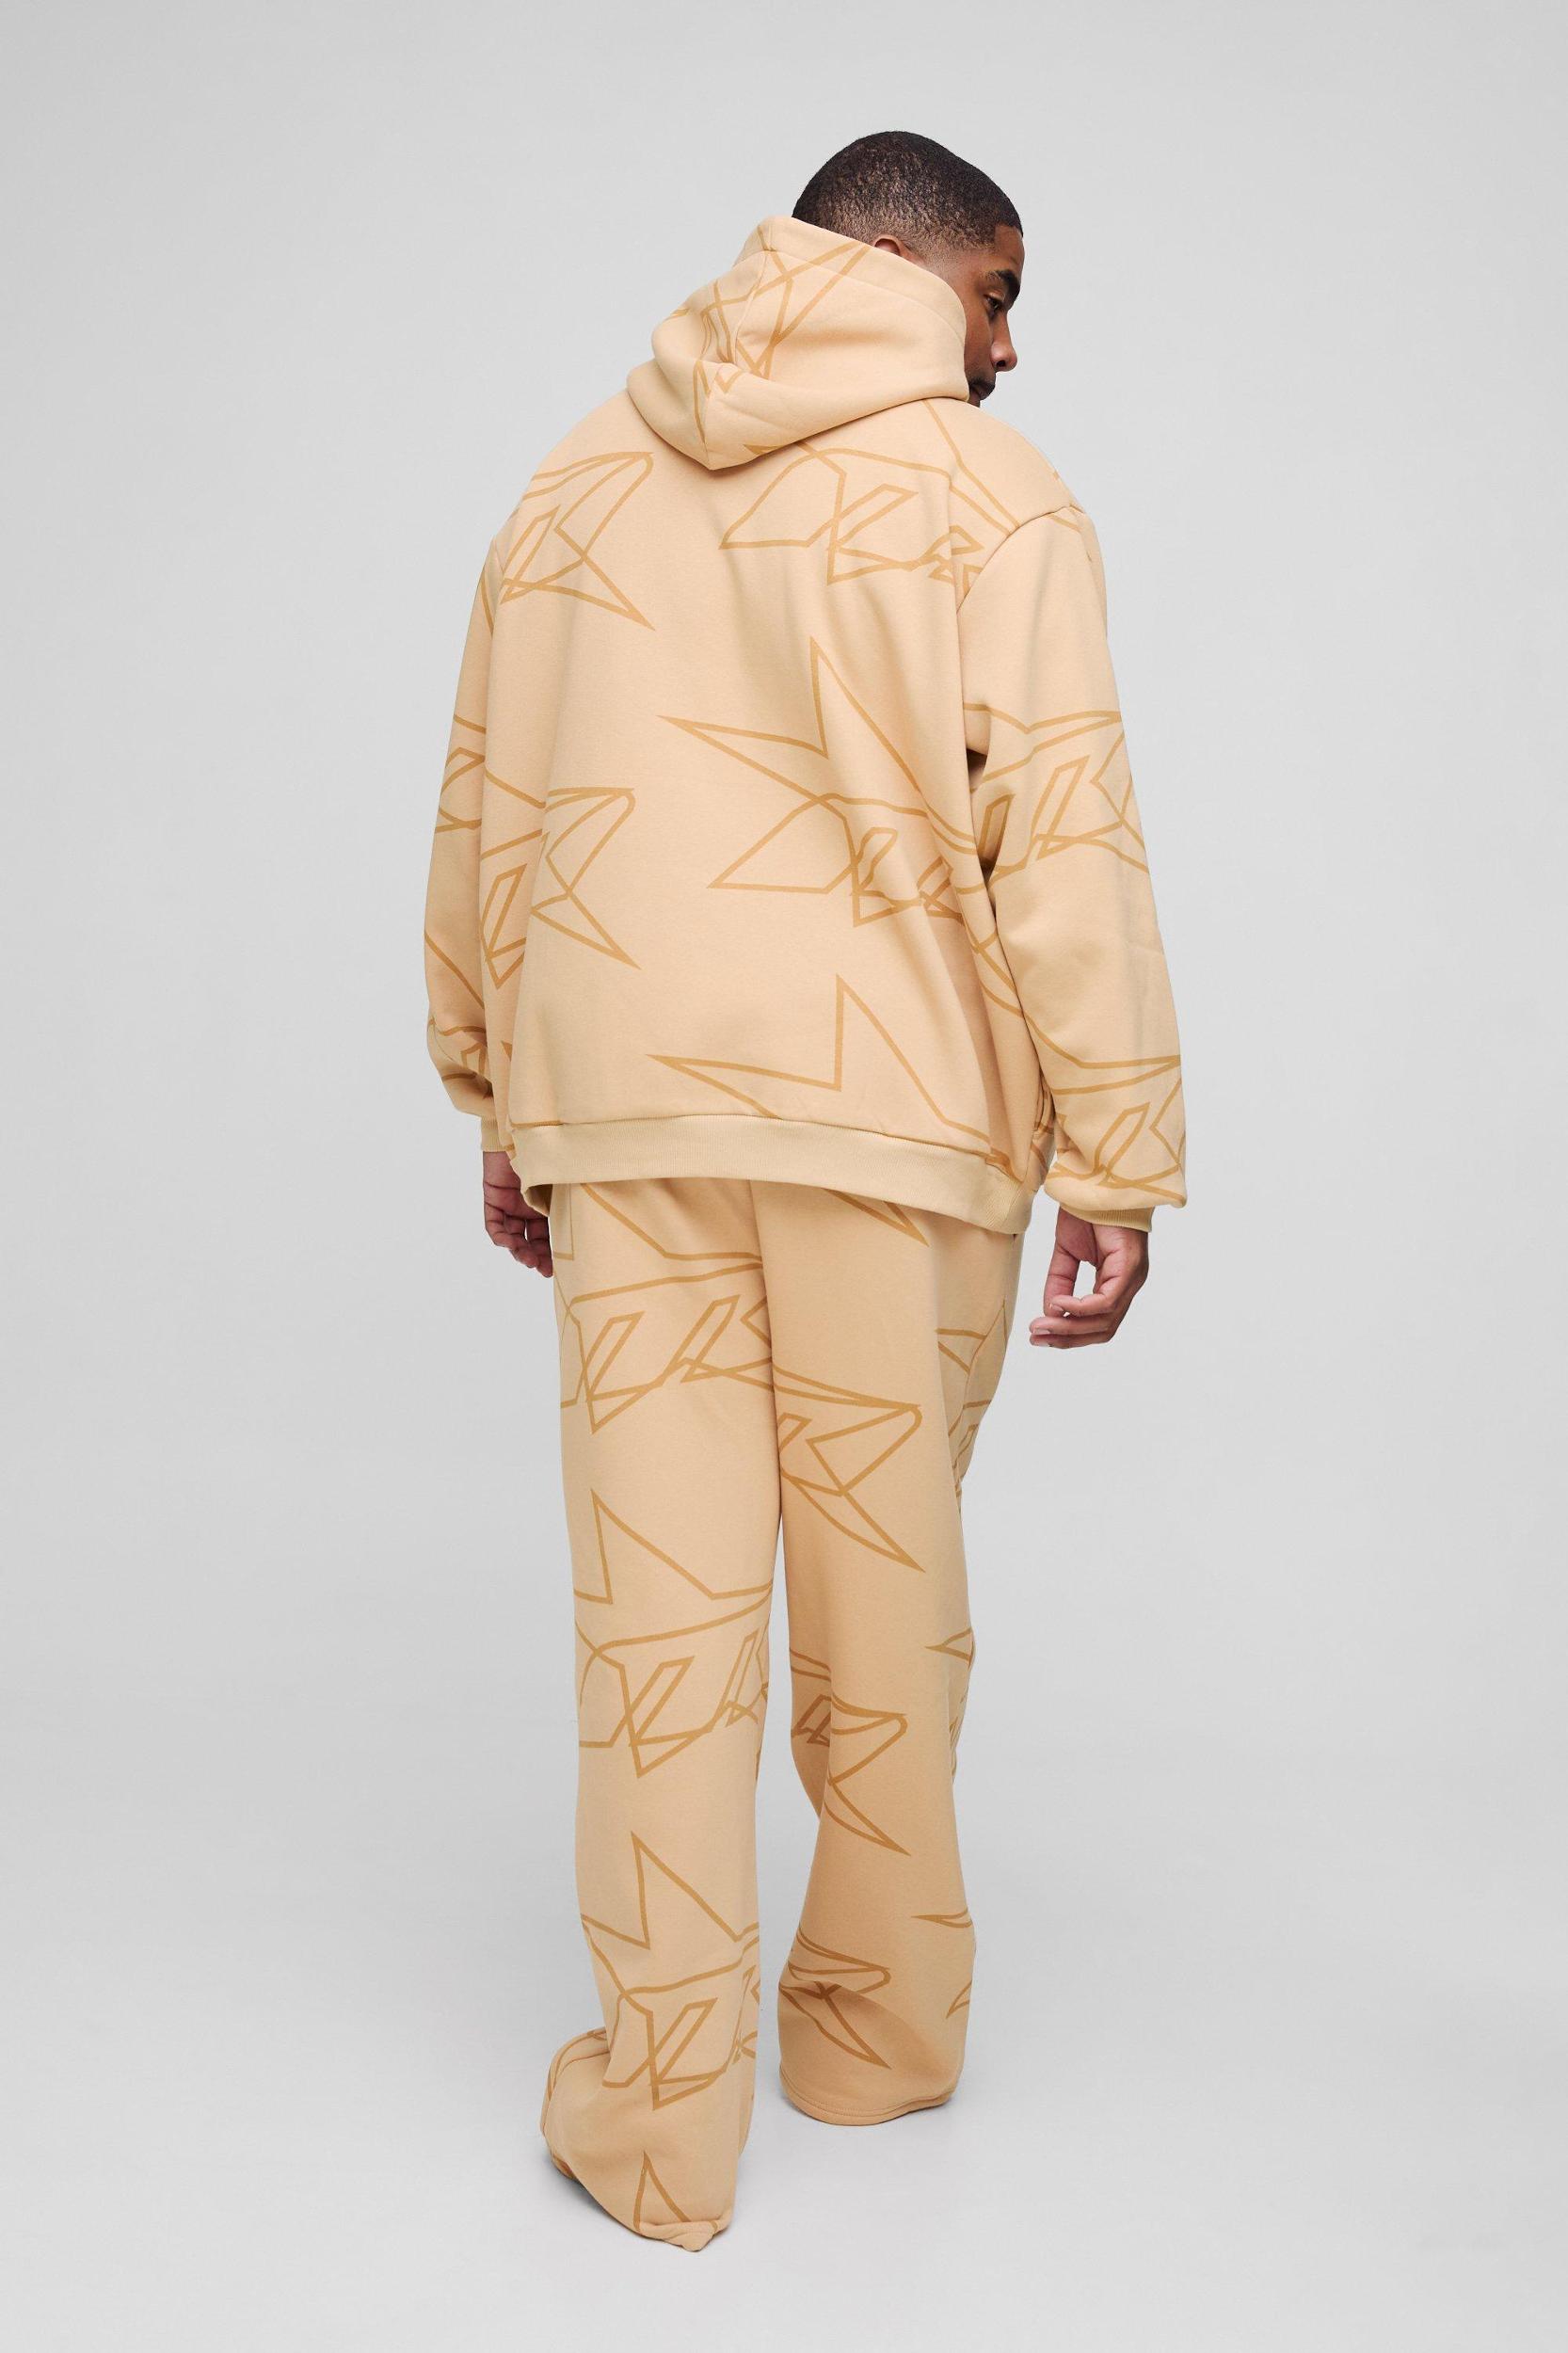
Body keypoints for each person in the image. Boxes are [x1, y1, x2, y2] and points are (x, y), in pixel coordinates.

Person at [422, 129, 1186, 2251]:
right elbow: (1065, 834)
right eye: (998, 294)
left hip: (629, 1115)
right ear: (909, 268)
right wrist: (1118, 1146)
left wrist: (503, 1088)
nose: (1008, 346)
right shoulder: (988, 495)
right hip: (896, 1128)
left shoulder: (575, 480)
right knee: (888, 1612)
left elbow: (493, 797)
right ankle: (873, 2038)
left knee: (656, 1635)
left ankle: (658, 2128)